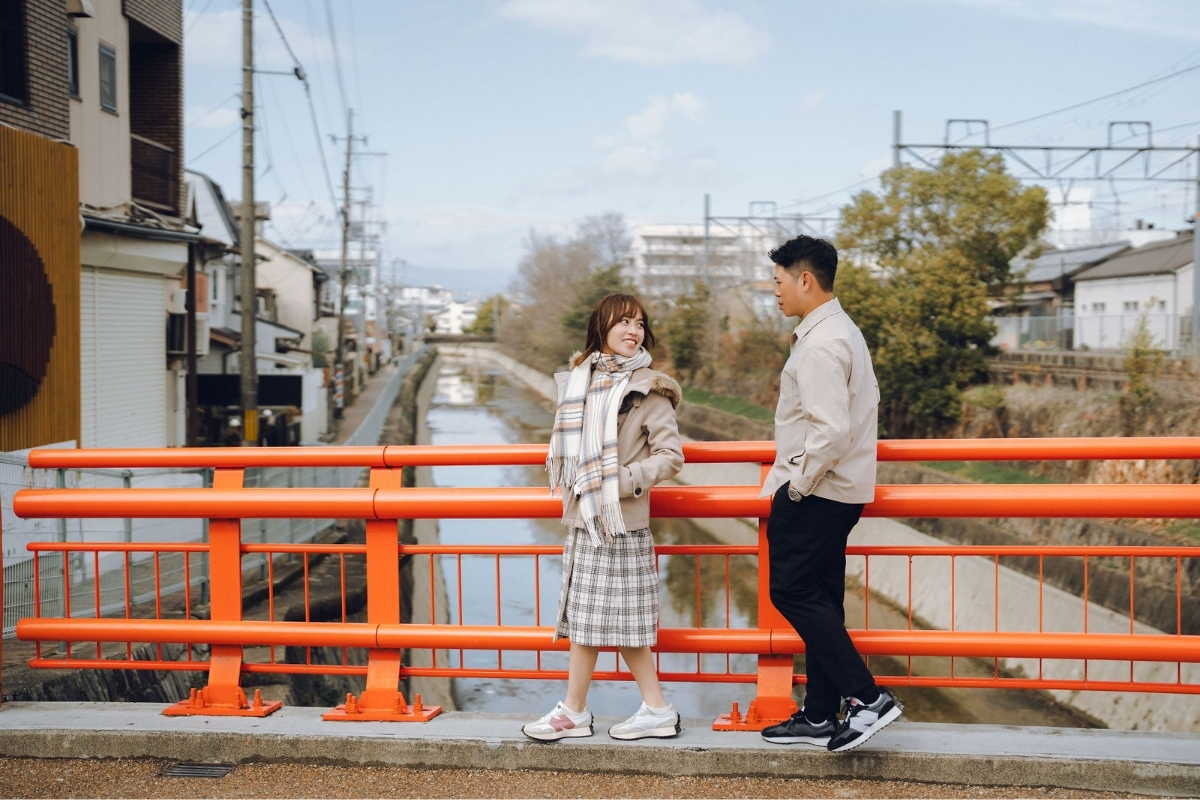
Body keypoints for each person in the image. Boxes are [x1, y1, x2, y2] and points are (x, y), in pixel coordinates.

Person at [757, 235, 902, 753]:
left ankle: (868, 698)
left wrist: (796, 488)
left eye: (776, 282)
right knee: (820, 599)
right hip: (841, 492)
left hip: (818, 492)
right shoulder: (842, 331)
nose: (772, 292)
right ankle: (820, 713)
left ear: (804, 280)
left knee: (791, 593)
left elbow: (830, 432)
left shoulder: (820, 343)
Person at [522, 293, 685, 742]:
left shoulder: (650, 389)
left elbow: (672, 457)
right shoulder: (581, 381)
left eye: (640, 324)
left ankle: (620, 710)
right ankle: (621, 708)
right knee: (589, 618)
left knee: (610, 621)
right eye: (624, 322)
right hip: (584, 517)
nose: (633, 331)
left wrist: (623, 478)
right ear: (602, 328)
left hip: (619, 519)